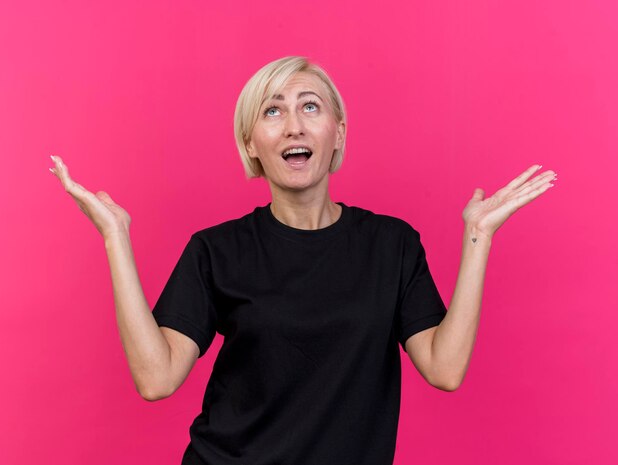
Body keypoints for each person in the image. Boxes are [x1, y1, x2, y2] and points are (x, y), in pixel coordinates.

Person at [50, 56, 557, 465]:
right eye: (272, 111)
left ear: (338, 132)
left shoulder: (391, 245)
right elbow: (156, 379)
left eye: (310, 107)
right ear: (251, 143)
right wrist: (115, 238)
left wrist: (479, 236)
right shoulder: (217, 250)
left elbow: (445, 368)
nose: (293, 125)